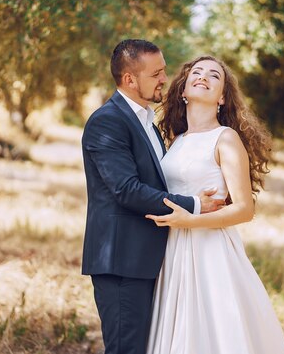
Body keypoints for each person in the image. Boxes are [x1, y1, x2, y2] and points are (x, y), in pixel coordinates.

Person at [81, 40, 225, 354]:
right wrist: (195, 205)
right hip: (122, 262)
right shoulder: (108, 122)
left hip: (149, 260)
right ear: (130, 80)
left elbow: (154, 183)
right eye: (156, 73)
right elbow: (126, 190)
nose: (165, 79)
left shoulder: (147, 121)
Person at [145, 55, 284, 354]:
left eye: (214, 76)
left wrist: (191, 221)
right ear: (183, 90)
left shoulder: (225, 139)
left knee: (215, 332)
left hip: (210, 250)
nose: (203, 77)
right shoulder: (177, 140)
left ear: (222, 97)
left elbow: (244, 209)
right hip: (173, 250)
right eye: (196, 72)